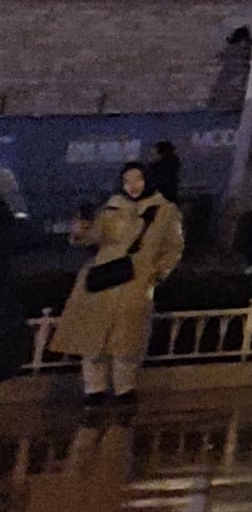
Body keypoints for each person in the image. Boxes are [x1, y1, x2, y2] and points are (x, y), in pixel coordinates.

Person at [50, 159, 182, 406]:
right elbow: (89, 239)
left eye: (138, 179)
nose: (133, 185)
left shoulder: (165, 211)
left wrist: (156, 274)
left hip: (135, 283)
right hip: (102, 281)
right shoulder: (110, 208)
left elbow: (173, 248)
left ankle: (125, 389)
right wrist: (82, 228)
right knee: (93, 340)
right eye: (127, 180)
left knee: (127, 342)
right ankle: (94, 389)